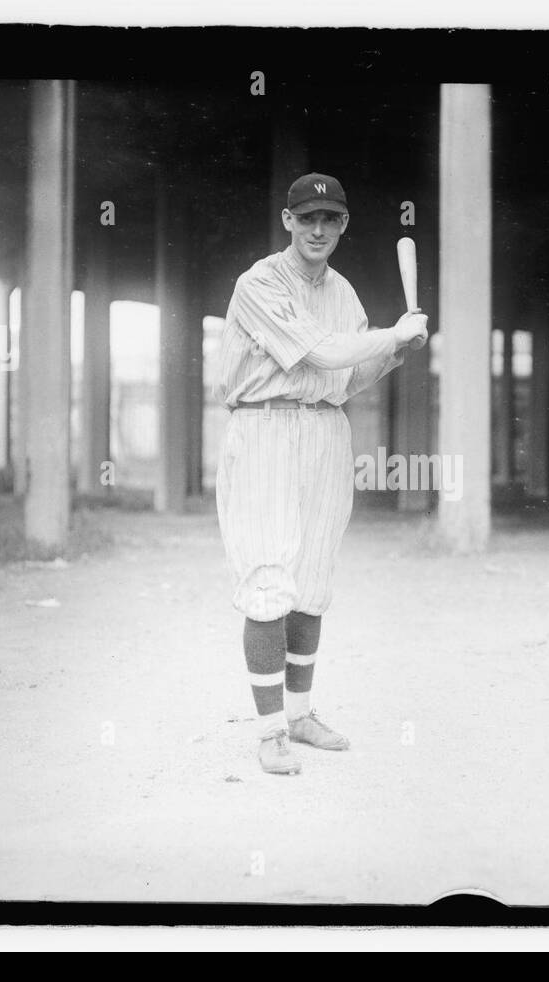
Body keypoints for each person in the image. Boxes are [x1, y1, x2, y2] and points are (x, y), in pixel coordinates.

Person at [213, 172, 429, 775]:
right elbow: (318, 353)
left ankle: (302, 715)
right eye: (305, 217)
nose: (316, 228)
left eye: (328, 219)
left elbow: (347, 377)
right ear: (287, 222)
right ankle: (269, 732)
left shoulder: (344, 294)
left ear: (342, 226)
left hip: (324, 431)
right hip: (264, 431)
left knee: (312, 580)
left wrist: (392, 353)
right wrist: (390, 333)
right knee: (268, 581)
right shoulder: (259, 283)